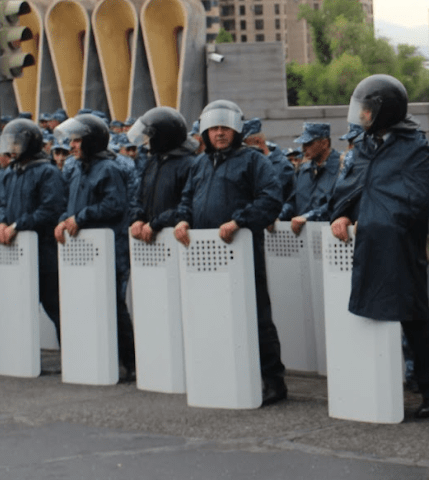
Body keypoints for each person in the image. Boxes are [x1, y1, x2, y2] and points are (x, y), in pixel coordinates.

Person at [330, 74, 429, 419]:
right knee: (370, 321)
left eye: (366, 109)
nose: (361, 115)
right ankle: (374, 388)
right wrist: (341, 214)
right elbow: (349, 187)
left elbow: (415, 196)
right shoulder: (364, 145)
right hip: (367, 245)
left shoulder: (413, 147)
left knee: (414, 318)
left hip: (402, 246)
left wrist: (382, 221)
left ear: (383, 111)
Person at [173, 100, 288, 406]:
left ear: (236, 130)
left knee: (256, 314)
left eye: (225, 128)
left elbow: (271, 198)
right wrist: (183, 219)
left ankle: (271, 379)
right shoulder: (199, 164)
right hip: (205, 254)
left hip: (242, 251)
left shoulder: (253, 161)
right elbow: (186, 198)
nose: (219, 133)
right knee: (212, 314)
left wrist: (240, 221)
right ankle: (220, 372)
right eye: (213, 128)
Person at [52, 113, 137, 382]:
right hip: (86, 250)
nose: (72, 146)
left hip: (110, 249)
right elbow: (70, 204)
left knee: (113, 305)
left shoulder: (108, 169)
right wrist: (64, 221)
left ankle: (131, 362)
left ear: (91, 142)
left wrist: (80, 218)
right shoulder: (78, 168)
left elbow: (114, 206)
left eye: (77, 140)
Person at [0, 119, 67, 345]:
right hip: (17, 254)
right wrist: (2, 222)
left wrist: (18, 226)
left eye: (16, 143)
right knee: (19, 307)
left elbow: (51, 209)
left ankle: (72, 356)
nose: (12, 148)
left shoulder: (47, 173)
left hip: (44, 252)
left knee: (55, 306)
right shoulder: (11, 173)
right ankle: (23, 358)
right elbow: (2, 203)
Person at [127, 107, 199, 243]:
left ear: (162, 137)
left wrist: (157, 223)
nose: (147, 141)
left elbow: (188, 206)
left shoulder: (189, 164)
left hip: (176, 240)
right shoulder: (153, 161)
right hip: (150, 238)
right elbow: (138, 196)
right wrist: (137, 218)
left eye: (150, 136)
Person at [280, 122, 340, 234]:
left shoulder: (341, 169)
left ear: (324, 143)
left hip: (330, 238)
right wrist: (280, 216)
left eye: (308, 144)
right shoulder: (303, 170)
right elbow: (293, 201)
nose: (303, 149)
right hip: (303, 238)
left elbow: (338, 204)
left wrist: (308, 217)